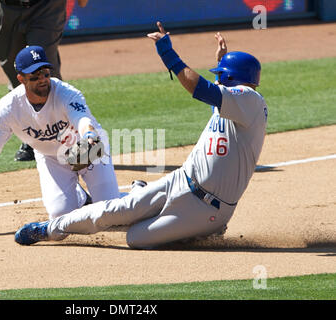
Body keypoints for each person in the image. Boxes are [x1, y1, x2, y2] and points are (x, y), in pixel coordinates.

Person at [14, 22, 268, 249]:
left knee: (136, 237)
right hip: (179, 181)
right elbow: (218, 95)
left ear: (230, 78)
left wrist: (169, 55)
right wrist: (223, 60)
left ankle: (201, 228)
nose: (218, 79)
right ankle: (47, 229)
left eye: (221, 74)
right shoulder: (236, 108)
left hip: (206, 208)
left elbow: (202, 89)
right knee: (112, 210)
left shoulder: (251, 101)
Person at [0, 45, 121, 219]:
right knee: (60, 216)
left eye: (45, 73)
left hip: (86, 149)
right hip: (51, 158)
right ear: (21, 78)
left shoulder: (67, 94)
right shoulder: (9, 108)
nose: (42, 79)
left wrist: (89, 135)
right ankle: (80, 198)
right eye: (35, 76)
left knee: (110, 212)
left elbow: (82, 120)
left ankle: (137, 191)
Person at [0, 0, 89, 161]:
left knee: (43, 70)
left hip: (46, 6)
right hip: (4, 7)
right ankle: (33, 134)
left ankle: (69, 137)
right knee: (16, 73)